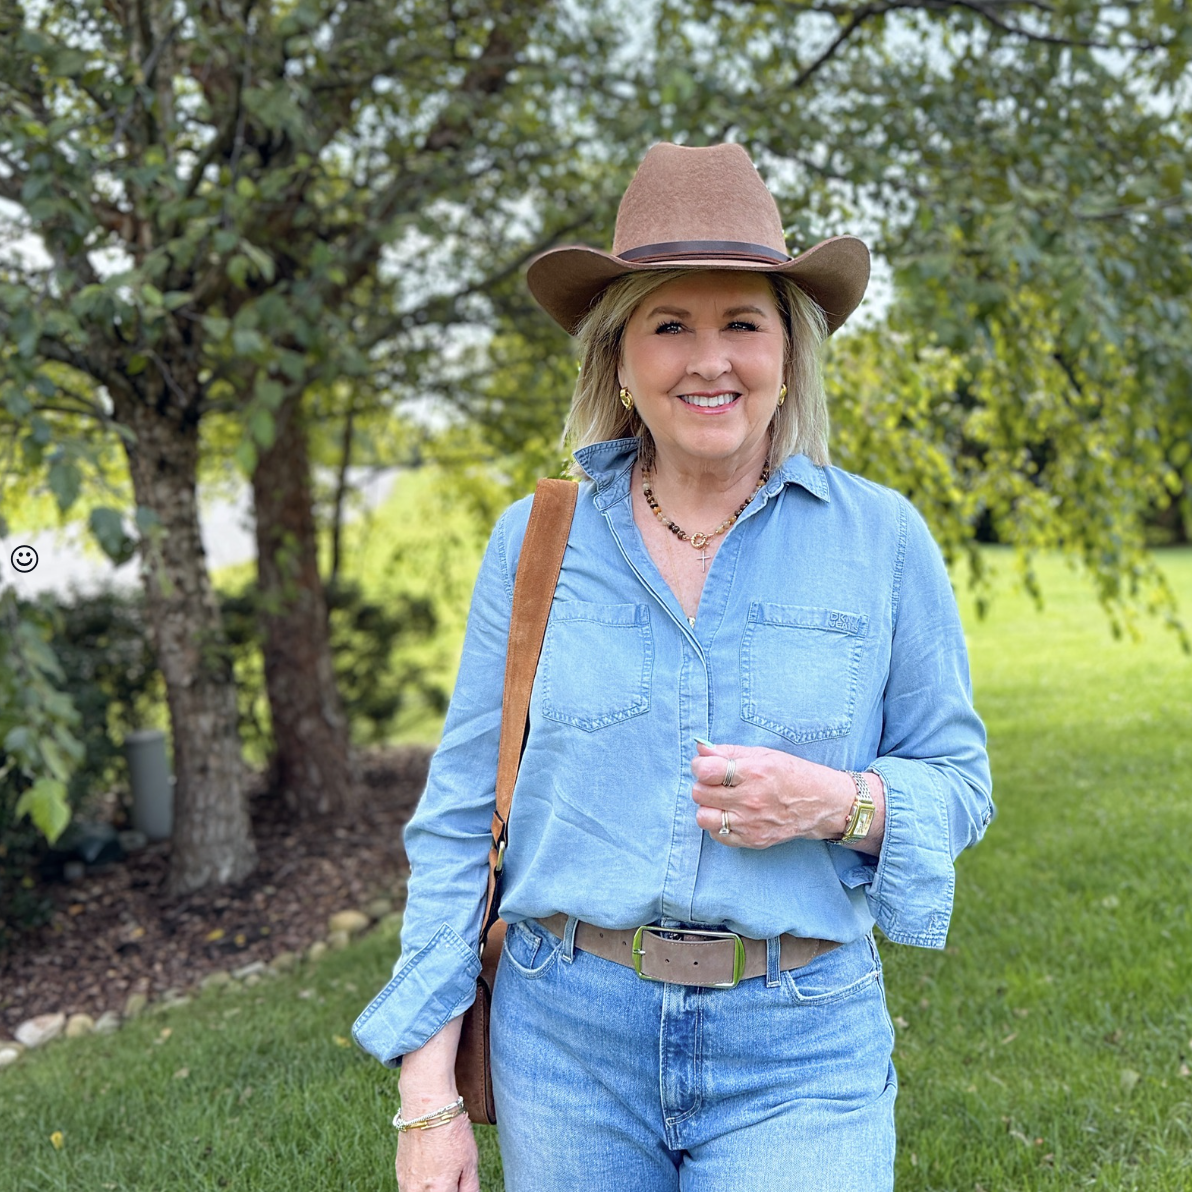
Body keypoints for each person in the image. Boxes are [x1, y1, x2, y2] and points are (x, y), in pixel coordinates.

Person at [353, 141, 994, 1192]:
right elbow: (464, 813)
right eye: (670, 326)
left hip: (801, 1041)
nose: (710, 360)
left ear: (788, 353)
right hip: (566, 1042)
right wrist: (429, 1094)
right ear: (618, 357)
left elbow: (959, 782)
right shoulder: (536, 541)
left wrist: (839, 801)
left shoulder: (883, 541)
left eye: (742, 322)